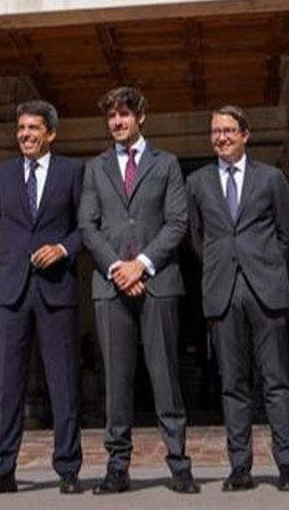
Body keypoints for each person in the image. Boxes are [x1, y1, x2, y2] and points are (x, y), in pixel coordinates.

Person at [0, 101, 84, 496]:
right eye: (21, 128)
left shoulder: (72, 172)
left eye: (33, 128)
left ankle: (68, 469)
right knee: (8, 384)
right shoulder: (5, 173)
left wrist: (62, 249)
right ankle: (2, 470)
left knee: (63, 382)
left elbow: (85, 227)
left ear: (50, 133)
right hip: (12, 290)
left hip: (56, 288)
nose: (25, 134)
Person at [78, 86, 197, 495]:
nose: (117, 122)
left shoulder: (167, 164)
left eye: (124, 115)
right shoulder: (95, 168)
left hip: (157, 282)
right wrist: (116, 268)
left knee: (166, 377)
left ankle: (179, 464)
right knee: (117, 382)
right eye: (111, 116)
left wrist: (141, 265)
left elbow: (177, 223)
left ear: (140, 117)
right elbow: (87, 225)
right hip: (111, 287)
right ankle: (117, 467)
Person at [186, 105, 289, 492]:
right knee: (232, 384)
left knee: (276, 382)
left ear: (245, 135)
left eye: (229, 130)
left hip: (266, 289)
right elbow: (198, 238)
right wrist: (224, 265)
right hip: (222, 291)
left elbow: (286, 232)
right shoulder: (198, 182)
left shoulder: (270, 178)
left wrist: (265, 266)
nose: (221, 137)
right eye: (216, 131)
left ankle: (287, 465)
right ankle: (240, 467)